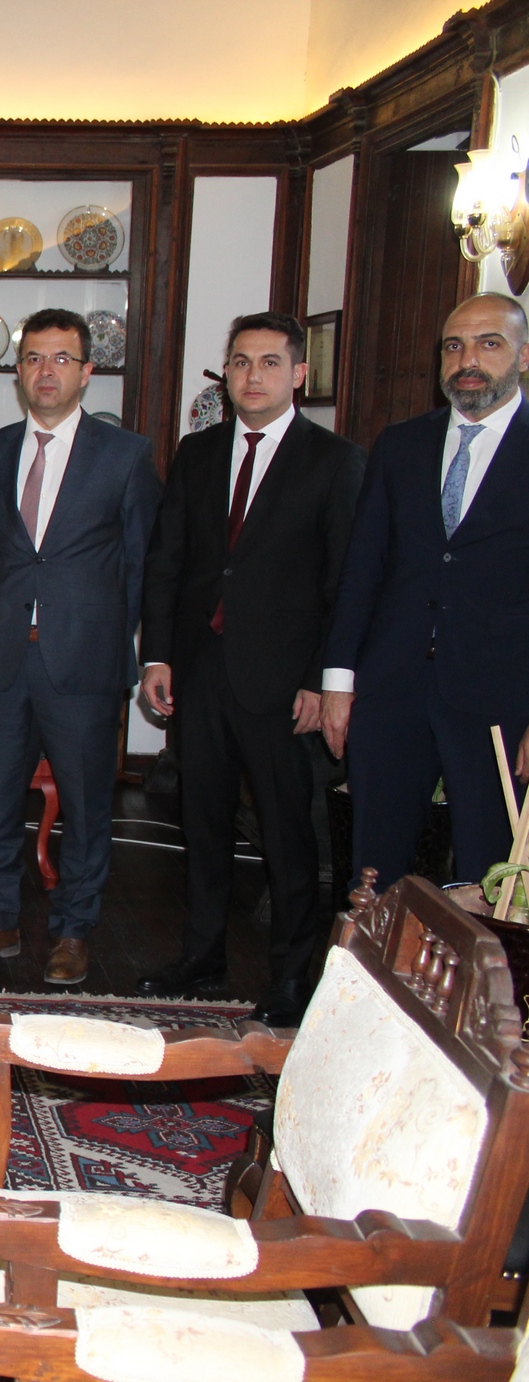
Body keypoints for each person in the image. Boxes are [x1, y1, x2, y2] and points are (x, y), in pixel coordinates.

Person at [139, 313, 363, 1024]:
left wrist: (321, 680)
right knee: (201, 823)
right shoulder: (199, 452)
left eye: (269, 362)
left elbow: (343, 583)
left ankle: (292, 977)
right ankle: (201, 956)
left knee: (287, 837)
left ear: (298, 373)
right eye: (240, 361)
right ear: (226, 373)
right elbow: (167, 560)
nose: (253, 375)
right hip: (200, 671)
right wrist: (157, 654)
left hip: (283, 683)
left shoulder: (334, 460)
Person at [0, 308, 160, 986]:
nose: (46, 371)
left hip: (84, 661)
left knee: (88, 803)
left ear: (86, 372)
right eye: (34, 358)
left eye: (61, 358)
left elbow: (139, 564)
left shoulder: (125, 455)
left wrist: (99, 629)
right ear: (18, 372)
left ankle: (72, 929)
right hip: (3, 655)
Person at [324, 292, 529, 926]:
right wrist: (338, 681)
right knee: (373, 870)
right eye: (453, 346)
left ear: (523, 355)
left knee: (489, 876)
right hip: (392, 689)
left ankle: (477, 992)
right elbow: (363, 568)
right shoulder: (401, 445)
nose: (468, 361)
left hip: (500, 700)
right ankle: (364, 982)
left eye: (488, 344)